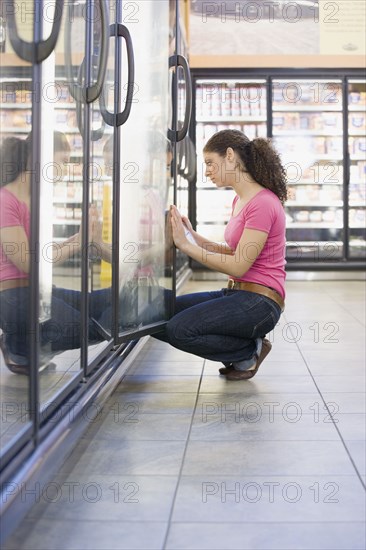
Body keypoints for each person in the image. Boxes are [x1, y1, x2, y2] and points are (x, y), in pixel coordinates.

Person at [153, 129, 287, 380]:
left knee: (180, 329)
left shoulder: (263, 203)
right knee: (154, 314)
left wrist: (187, 246)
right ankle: (241, 346)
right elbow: (235, 252)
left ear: (230, 156)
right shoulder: (241, 200)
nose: (207, 171)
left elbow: (237, 266)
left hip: (260, 303)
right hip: (238, 293)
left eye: (210, 163)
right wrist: (192, 236)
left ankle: (248, 351)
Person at [0, 132, 110, 375]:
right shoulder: (5, 200)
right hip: (13, 296)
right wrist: (80, 241)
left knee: (112, 301)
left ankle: (30, 343)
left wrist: (80, 240)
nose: (65, 168)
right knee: (87, 330)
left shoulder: (33, 200)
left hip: (37, 290)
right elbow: (28, 262)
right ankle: (19, 344)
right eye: (63, 160)